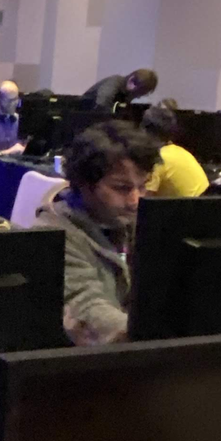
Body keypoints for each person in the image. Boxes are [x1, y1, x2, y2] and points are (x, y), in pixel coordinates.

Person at [35, 121, 162, 343]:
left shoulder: (132, 224)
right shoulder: (53, 235)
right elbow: (87, 309)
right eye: (121, 188)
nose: (135, 201)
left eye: (142, 187)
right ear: (83, 183)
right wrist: (153, 337)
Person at [141, 104, 208, 198]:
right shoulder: (180, 151)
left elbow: (144, 200)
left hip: (190, 206)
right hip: (207, 202)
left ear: (145, 131)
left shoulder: (157, 159)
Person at [87, 67, 158, 113]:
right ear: (131, 82)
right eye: (139, 93)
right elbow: (101, 105)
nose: (138, 97)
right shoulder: (114, 83)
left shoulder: (127, 93)